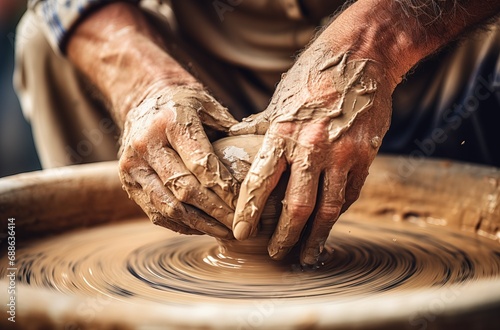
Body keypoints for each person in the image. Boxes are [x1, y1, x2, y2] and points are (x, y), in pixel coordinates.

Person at [14, 0, 500, 265]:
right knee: (43, 44)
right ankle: (120, 282)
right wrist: (146, 82)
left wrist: (377, 40)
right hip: (204, 46)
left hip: (428, 48)